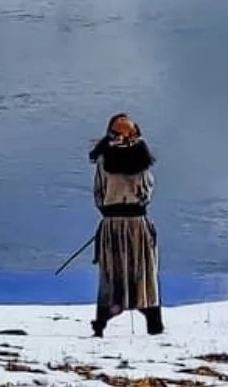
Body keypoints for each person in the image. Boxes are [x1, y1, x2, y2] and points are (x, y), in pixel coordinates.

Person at [87, 113, 162, 336]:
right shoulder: (140, 159)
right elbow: (146, 191)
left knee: (115, 275)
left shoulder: (104, 160)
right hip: (133, 224)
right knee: (141, 274)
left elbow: (99, 193)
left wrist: (109, 211)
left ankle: (104, 322)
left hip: (116, 224)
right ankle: (152, 324)